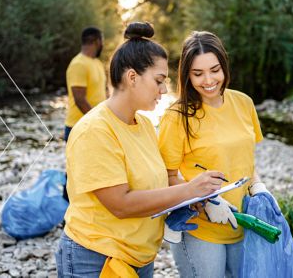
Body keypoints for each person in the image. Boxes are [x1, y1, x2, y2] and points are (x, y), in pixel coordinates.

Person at [55, 22, 225, 278]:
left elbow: (153, 187)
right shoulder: (95, 130)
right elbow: (120, 204)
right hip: (96, 260)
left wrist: (193, 198)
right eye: (159, 80)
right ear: (132, 77)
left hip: (140, 259)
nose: (164, 89)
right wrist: (188, 189)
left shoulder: (144, 124)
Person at [158, 31, 269, 278]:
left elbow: (246, 161)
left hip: (242, 222)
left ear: (224, 67)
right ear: (186, 75)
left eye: (214, 70)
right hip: (200, 228)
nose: (208, 80)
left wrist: (259, 186)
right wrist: (207, 202)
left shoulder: (243, 103)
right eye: (198, 74)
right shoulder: (177, 117)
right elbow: (165, 176)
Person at [64, 26, 107, 142]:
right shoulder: (78, 64)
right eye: (102, 41)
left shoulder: (97, 63)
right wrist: (98, 121)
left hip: (94, 125)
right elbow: (79, 100)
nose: (103, 44)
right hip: (78, 127)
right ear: (97, 41)